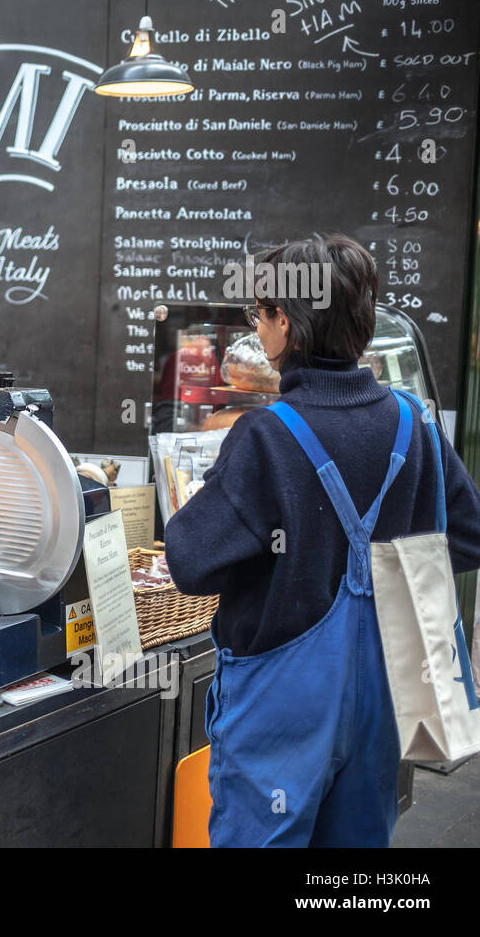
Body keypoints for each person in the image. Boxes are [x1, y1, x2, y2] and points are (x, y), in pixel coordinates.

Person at [165, 233, 480, 847]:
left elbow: (189, 560)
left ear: (287, 321)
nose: (259, 327)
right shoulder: (414, 421)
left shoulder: (265, 436)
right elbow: (469, 536)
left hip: (284, 705)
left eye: (260, 313)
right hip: (390, 695)